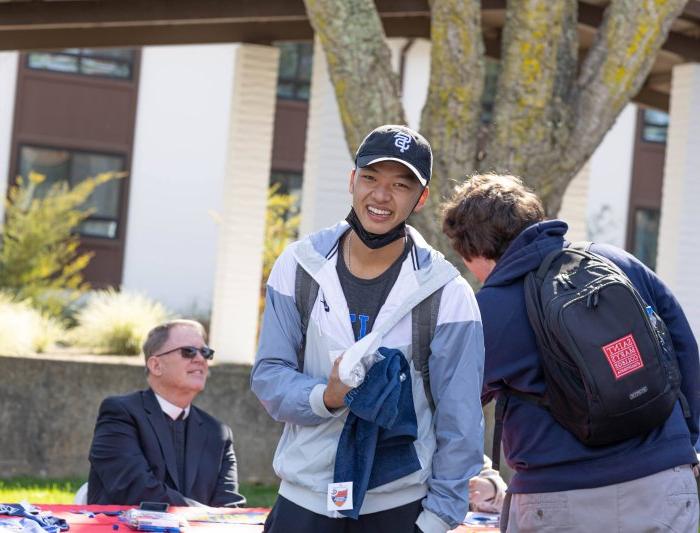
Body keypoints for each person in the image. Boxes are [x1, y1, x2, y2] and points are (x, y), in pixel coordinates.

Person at [252, 125, 485, 533]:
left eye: (400, 184)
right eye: (371, 178)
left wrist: (436, 520)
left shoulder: (447, 292)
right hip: (304, 501)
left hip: (397, 506)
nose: (381, 195)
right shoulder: (299, 266)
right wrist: (326, 395)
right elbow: (269, 376)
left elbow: (461, 420)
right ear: (352, 180)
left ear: (421, 198)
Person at [442, 173, 700, 532]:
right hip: (662, 483)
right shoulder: (613, 261)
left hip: (558, 499)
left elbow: (452, 403)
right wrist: (687, 441)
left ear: (473, 251)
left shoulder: (490, 310)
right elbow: (682, 344)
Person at [87, 319, 245, 507]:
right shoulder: (120, 414)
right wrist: (204, 514)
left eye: (205, 352)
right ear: (155, 366)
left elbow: (229, 505)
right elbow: (135, 490)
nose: (200, 359)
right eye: (189, 351)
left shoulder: (218, 433)